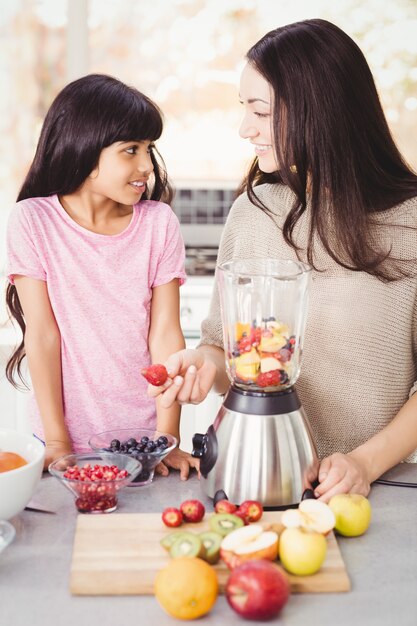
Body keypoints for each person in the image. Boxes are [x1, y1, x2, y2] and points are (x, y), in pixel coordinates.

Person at [149, 18, 417, 501]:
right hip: (256, 482)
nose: (243, 128)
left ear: (321, 109)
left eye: (260, 110)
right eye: (243, 108)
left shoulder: (411, 222)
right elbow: (220, 346)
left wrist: (363, 463)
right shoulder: (253, 213)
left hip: (386, 486)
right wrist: (203, 365)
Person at [5, 73, 199, 479]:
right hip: (61, 442)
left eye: (149, 149)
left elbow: (165, 334)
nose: (146, 165)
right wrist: (57, 442)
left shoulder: (158, 223)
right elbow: (42, 334)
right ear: (85, 148)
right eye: (130, 150)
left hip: (143, 443)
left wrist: (166, 439)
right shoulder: (33, 221)